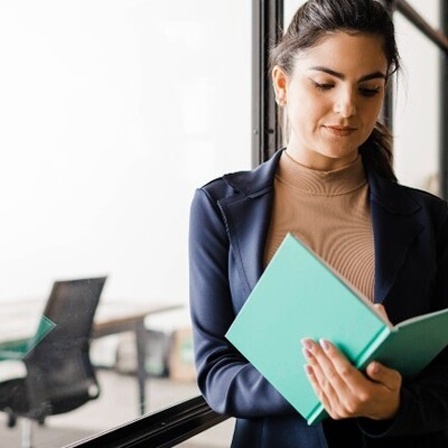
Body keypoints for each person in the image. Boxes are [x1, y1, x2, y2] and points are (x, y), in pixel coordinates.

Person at [188, 0, 448, 446]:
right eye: (325, 83)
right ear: (282, 84)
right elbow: (216, 373)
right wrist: (322, 381)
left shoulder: (429, 218)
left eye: (369, 90)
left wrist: (390, 406)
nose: (347, 108)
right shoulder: (222, 208)